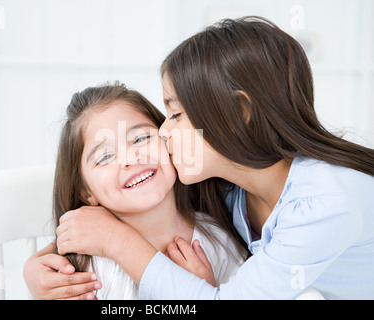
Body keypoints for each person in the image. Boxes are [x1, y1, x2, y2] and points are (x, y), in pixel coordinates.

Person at [55, 17, 374, 299]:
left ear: (238, 112)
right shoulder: (232, 189)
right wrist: (44, 263)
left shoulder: (325, 203)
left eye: (176, 114)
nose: (163, 131)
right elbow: (144, 216)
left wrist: (117, 241)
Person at [24, 82, 246, 299]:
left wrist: (206, 292)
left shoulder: (218, 243)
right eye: (105, 157)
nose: (130, 159)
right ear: (86, 193)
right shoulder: (83, 273)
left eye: (140, 138)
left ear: (168, 140)